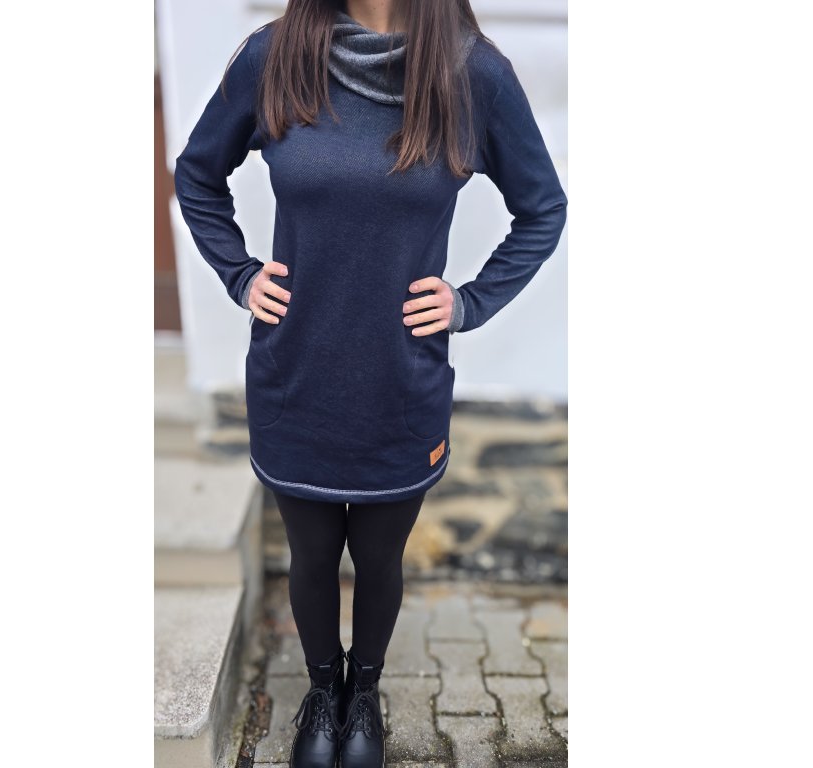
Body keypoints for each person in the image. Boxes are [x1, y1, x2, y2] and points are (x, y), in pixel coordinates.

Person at [174, 1, 567, 765]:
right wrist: (240, 274)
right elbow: (197, 173)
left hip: (400, 383)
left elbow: (542, 208)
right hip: (296, 375)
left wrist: (469, 302)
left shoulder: (471, 74)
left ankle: (365, 696)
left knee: (380, 558)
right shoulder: (274, 56)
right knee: (313, 554)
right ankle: (324, 694)